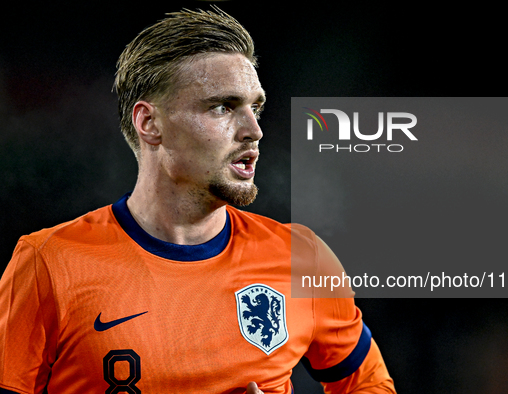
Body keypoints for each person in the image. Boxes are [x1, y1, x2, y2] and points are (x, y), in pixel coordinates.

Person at [0, 7, 396, 394]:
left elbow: (369, 383)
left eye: (255, 107)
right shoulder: (48, 263)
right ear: (149, 124)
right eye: (222, 107)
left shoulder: (301, 256)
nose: (254, 130)